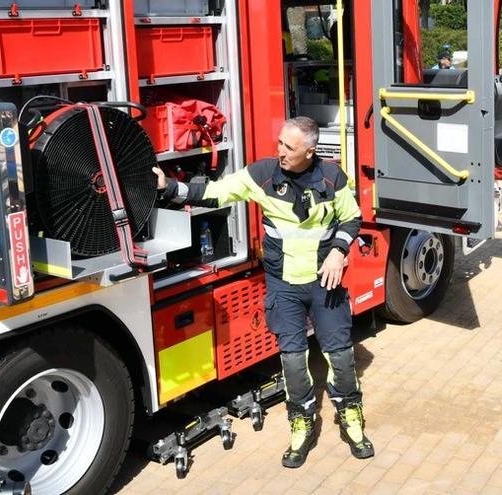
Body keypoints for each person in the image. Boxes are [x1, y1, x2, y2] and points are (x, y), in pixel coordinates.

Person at [152, 116, 373, 468]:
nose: (280, 150)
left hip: (324, 283)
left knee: (341, 357)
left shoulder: (333, 177)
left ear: (310, 150)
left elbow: (351, 218)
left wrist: (338, 251)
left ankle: (351, 416)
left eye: (288, 146)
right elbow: (215, 191)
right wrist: (171, 188)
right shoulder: (263, 174)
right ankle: (301, 424)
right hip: (283, 285)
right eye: (279, 142)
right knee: (293, 359)